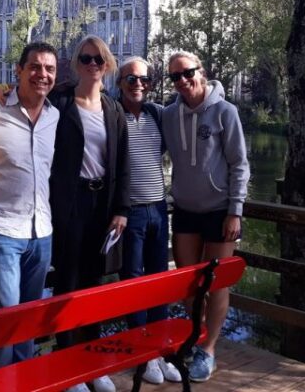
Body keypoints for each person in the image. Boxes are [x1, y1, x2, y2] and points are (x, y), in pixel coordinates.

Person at [161, 51, 250, 383]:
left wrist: (235, 211)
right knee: (187, 283)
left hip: (219, 212)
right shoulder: (169, 116)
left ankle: (208, 349)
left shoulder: (226, 112)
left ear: (201, 71)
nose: (182, 81)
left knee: (217, 283)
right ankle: (196, 337)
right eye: (175, 77)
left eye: (187, 73)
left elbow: (240, 164)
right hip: (184, 210)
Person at [0, 41, 60, 369]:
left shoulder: (55, 116)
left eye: (49, 69)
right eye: (35, 66)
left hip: (42, 233)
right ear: (18, 71)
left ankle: (24, 381)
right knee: (3, 321)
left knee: (29, 321)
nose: (42, 74)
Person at [49, 35, 130, 392]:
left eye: (99, 59)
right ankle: (66, 364)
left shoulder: (113, 110)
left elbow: (123, 164)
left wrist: (121, 210)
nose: (93, 65)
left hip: (103, 205)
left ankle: (92, 362)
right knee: (67, 282)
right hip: (70, 204)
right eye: (86, 58)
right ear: (75, 63)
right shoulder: (61, 104)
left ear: (108, 64)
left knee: (94, 284)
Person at [116, 57, 181, 385]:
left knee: (160, 281)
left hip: (158, 208)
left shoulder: (158, 113)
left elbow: (190, 112)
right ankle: (142, 356)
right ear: (120, 83)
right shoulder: (113, 114)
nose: (138, 85)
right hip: (131, 214)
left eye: (144, 80)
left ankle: (161, 349)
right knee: (134, 283)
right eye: (130, 80)